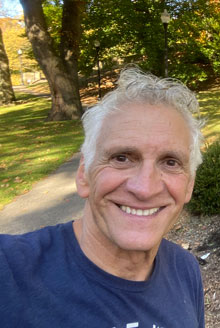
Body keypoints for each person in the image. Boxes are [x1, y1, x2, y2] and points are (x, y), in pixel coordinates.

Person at [0, 68, 205, 327]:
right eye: (122, 158)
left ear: (189, 187)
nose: (145, 188)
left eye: (171, 162)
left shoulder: (185, 270)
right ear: (84, 175)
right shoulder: (10, 273)